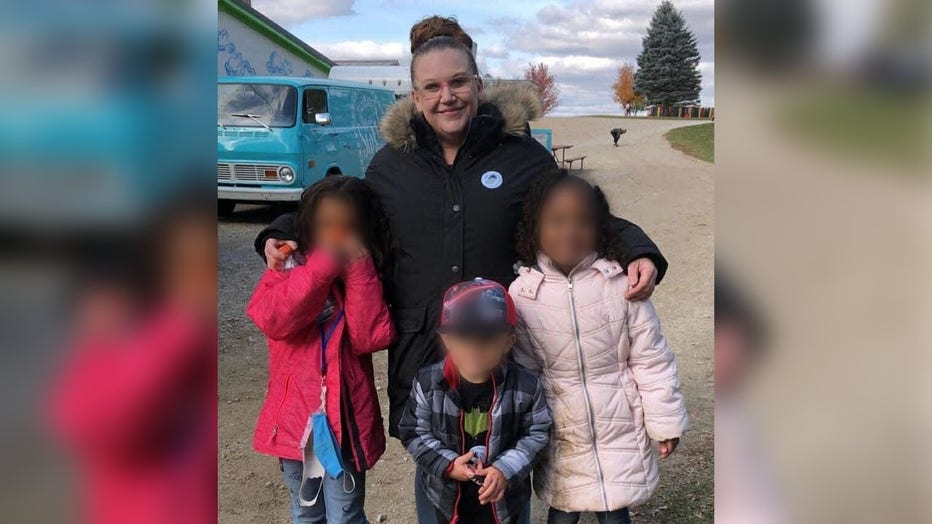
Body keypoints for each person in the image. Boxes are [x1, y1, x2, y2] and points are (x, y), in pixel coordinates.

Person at [253, 16, 666, 520]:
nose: (446, 96)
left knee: (504, 470)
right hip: (424, 350)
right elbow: (336, 208)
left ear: (479, 84)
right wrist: (279, 231)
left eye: (458, 82)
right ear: (415, 96)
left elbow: (576, 211)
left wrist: (636, 248)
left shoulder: (522, 158)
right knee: (435, 471)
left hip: (502, 355)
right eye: (432, 87)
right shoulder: (391, 165)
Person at [509, 171, 689, 524]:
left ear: (600, 227)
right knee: (563, 513)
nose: (570, 232)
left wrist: (665, 421)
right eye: (556, 221)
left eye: (583, 222)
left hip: (620, 425)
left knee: (615, 511)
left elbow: (651, 359)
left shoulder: (621, 285)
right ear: (535, 227)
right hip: (562, 431)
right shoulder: (523, 294)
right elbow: (524, 372)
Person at [246, 176, 396, 524]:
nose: (337, 234)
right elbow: (274, 320)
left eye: (348, 225)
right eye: (326, 224)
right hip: (297, 421)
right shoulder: (288, 263)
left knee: (346, 514)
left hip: (345, 420)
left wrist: (359, 271)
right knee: (306, 512)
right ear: (308, 225)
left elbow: (370, 338)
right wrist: (319, 269)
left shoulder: (368, 269)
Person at [398, 278, 551, 524]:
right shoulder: (427, 383)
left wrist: (504, 469)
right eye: (463, 336)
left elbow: (537, 433)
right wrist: (448, 465)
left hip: (504, 501)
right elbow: (413, 432)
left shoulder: (526, 386)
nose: (475, 347)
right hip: (445, 499)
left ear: (508, 341)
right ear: (446, 338)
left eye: (487, 338)